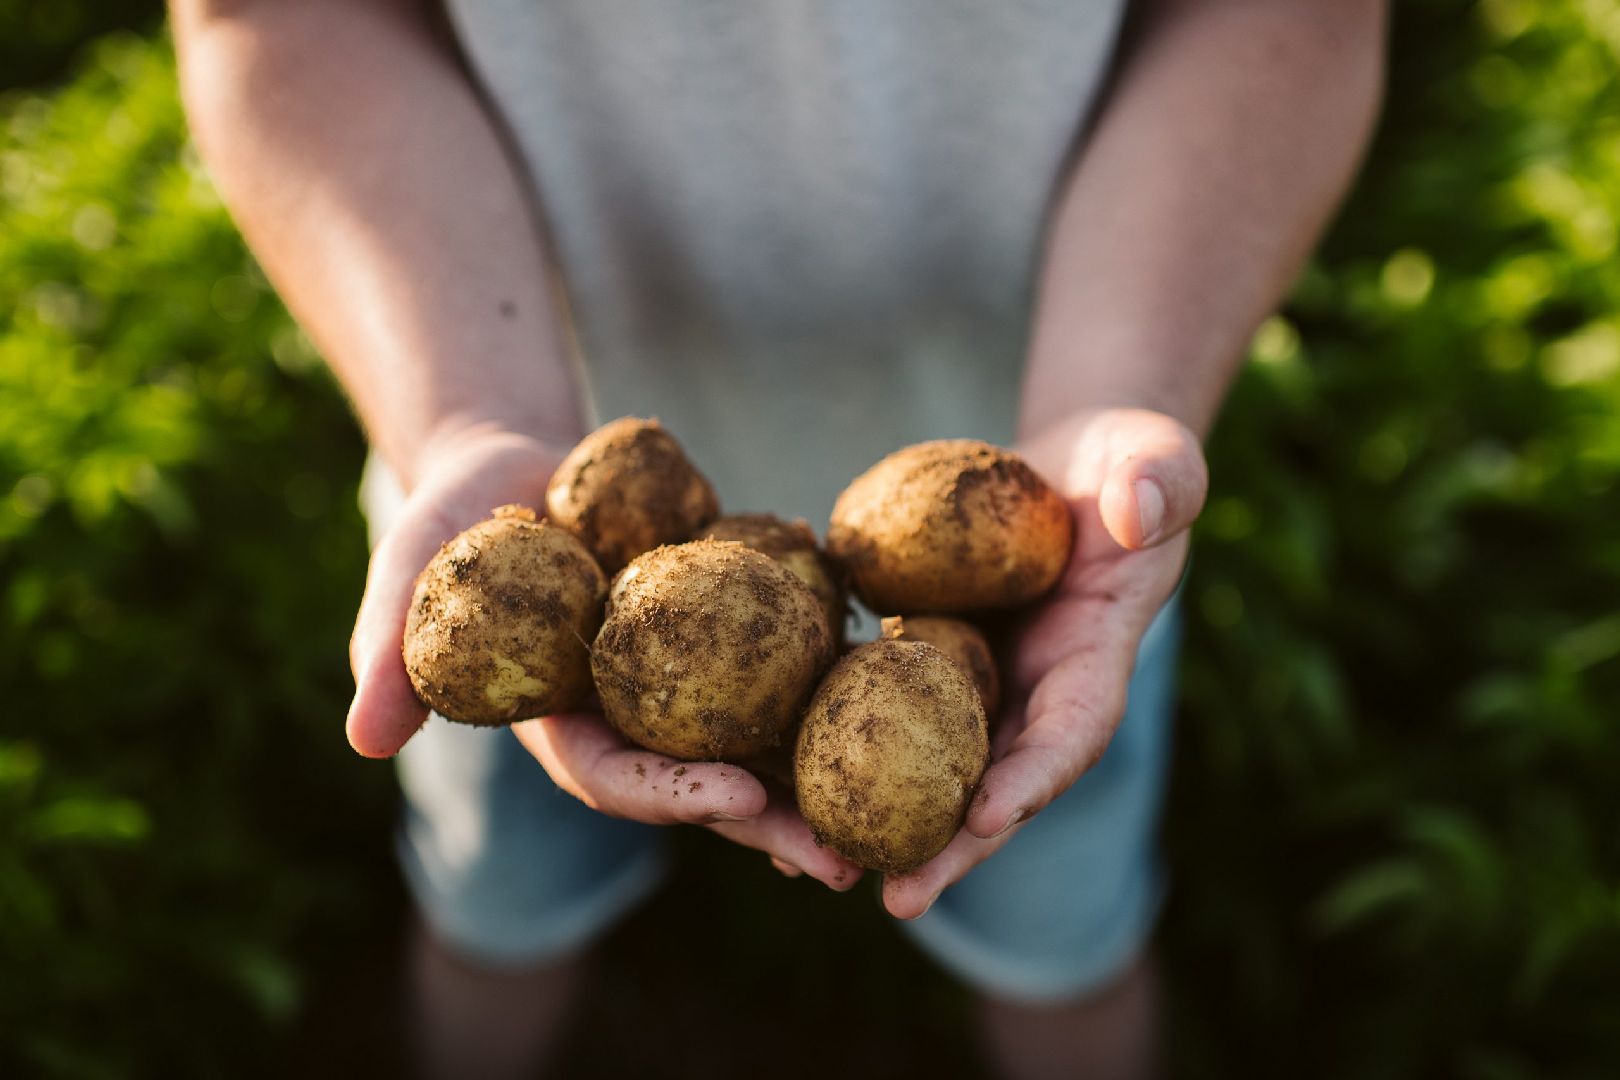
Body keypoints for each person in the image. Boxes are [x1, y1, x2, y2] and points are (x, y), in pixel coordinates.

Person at [169, 1, 1385, 1076]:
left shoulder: (1028, 576)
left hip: (1059, 549)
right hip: (514, 451)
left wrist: (1121, 383)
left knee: (1066, 946)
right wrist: (464, 414)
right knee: (491, 912)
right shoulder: (554, 558)